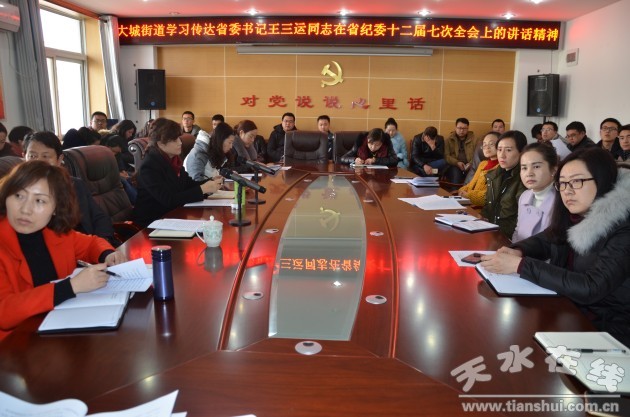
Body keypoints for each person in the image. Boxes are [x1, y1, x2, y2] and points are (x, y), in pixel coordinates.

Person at [480, 147, 630, 346]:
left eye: (577, 181)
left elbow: (591, 287)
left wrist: (521, 265)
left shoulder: (623, 227)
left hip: (611, 330)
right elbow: (548, 238)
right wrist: (518, 250)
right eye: (563, 183)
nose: (568, 190)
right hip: (570, 310)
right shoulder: (576, 214)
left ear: (603, 180)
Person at [0, 160, 127, 339]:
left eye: (39, 200)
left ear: (56, 208)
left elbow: (91, 243)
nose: (25, 209)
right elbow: (4, 312)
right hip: (15, 343)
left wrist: (107, 254)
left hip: (58, 329)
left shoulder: (56, 234)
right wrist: (70, 287)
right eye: (18, 196)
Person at [22, 131, 119, 247]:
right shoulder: (18, 194)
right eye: (32, 156)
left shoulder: (75, 184)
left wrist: (102, 244)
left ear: (59, 159)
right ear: (24, 157)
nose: (39, 162)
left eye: (45, 156)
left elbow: (99, 217)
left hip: (92, 248)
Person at [133, 118, 222, 228]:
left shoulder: (173, 160)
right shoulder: (149, 166)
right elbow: (168, 200)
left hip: (173, 216)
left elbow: (188, 184)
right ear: (161, 143)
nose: (180, 142)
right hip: (152, 223)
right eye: (175, 140)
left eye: (179, 138)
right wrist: (202, 189)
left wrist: (210, 182)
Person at [481, 130, 528, 238]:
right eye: (499, 149)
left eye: (508, 150)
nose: (502, 155)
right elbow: (488, 206)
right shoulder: (494, 175)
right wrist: (481, 219)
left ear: (521, 152)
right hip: (490, 231)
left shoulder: (524, 179)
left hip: (507, 237)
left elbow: (520, 219)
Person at [512, 143, 558, 242]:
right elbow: (518, 231)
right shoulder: (524, 196)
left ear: (553, 170)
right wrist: (514, 248)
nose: (529, 173)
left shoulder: (561, 201)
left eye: (536, 167)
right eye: (524, 168)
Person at [456, 132, 500, 207]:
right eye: (484, 144)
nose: (487, 147)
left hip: (481, 208)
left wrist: (468, 195)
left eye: (491, 144)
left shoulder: (501, 167)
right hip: (469, 203)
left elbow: (488, 196)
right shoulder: (482, 164)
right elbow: (471, 184)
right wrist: (462, 191)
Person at [443, 117, 476, 184]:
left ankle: (467, 191)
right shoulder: (449, 140)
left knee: (472, 178)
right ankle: (454, 190)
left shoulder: (474, 139)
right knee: (456, 176)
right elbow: (446, 156)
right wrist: (457, 163)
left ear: (468, 128)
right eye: (459, 128)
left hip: (469, 165)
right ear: (455, 128)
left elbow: (477, 155)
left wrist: (471, 163)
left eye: (464, 128)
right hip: (454, 165)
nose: (461, 130)